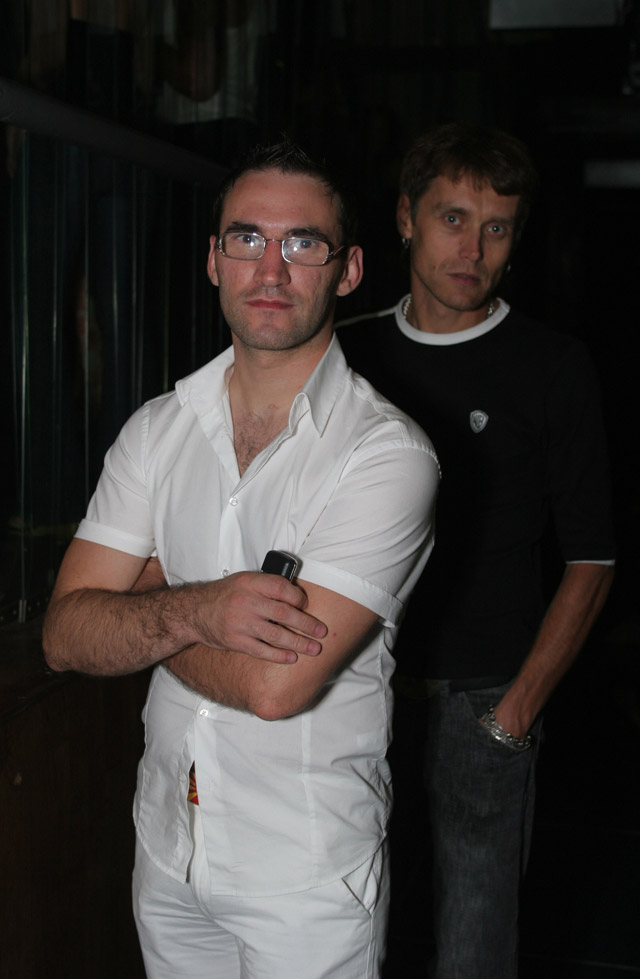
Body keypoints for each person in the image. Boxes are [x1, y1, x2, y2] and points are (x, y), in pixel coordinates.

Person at [42, 140, 440, 979]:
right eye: (247, 238)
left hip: (304, 875)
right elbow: (65, 635)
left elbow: (273, 687)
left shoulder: (386, 454)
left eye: (303, 243)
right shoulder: (158, 429)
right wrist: (201, 608)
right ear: (213, 259)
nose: (271, 268)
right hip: (168, 850)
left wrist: (145, 608)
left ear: (349, 270)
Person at [337, 122, 615, 979]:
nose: (473, 248)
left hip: (486, 699)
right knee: (346, 931)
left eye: (497, 227)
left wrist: (516, 711)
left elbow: (594, 558)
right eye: (453, 218)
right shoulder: (348, 352)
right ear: (405, 218)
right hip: (355, 686)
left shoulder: (553, 365)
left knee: (473, 949)